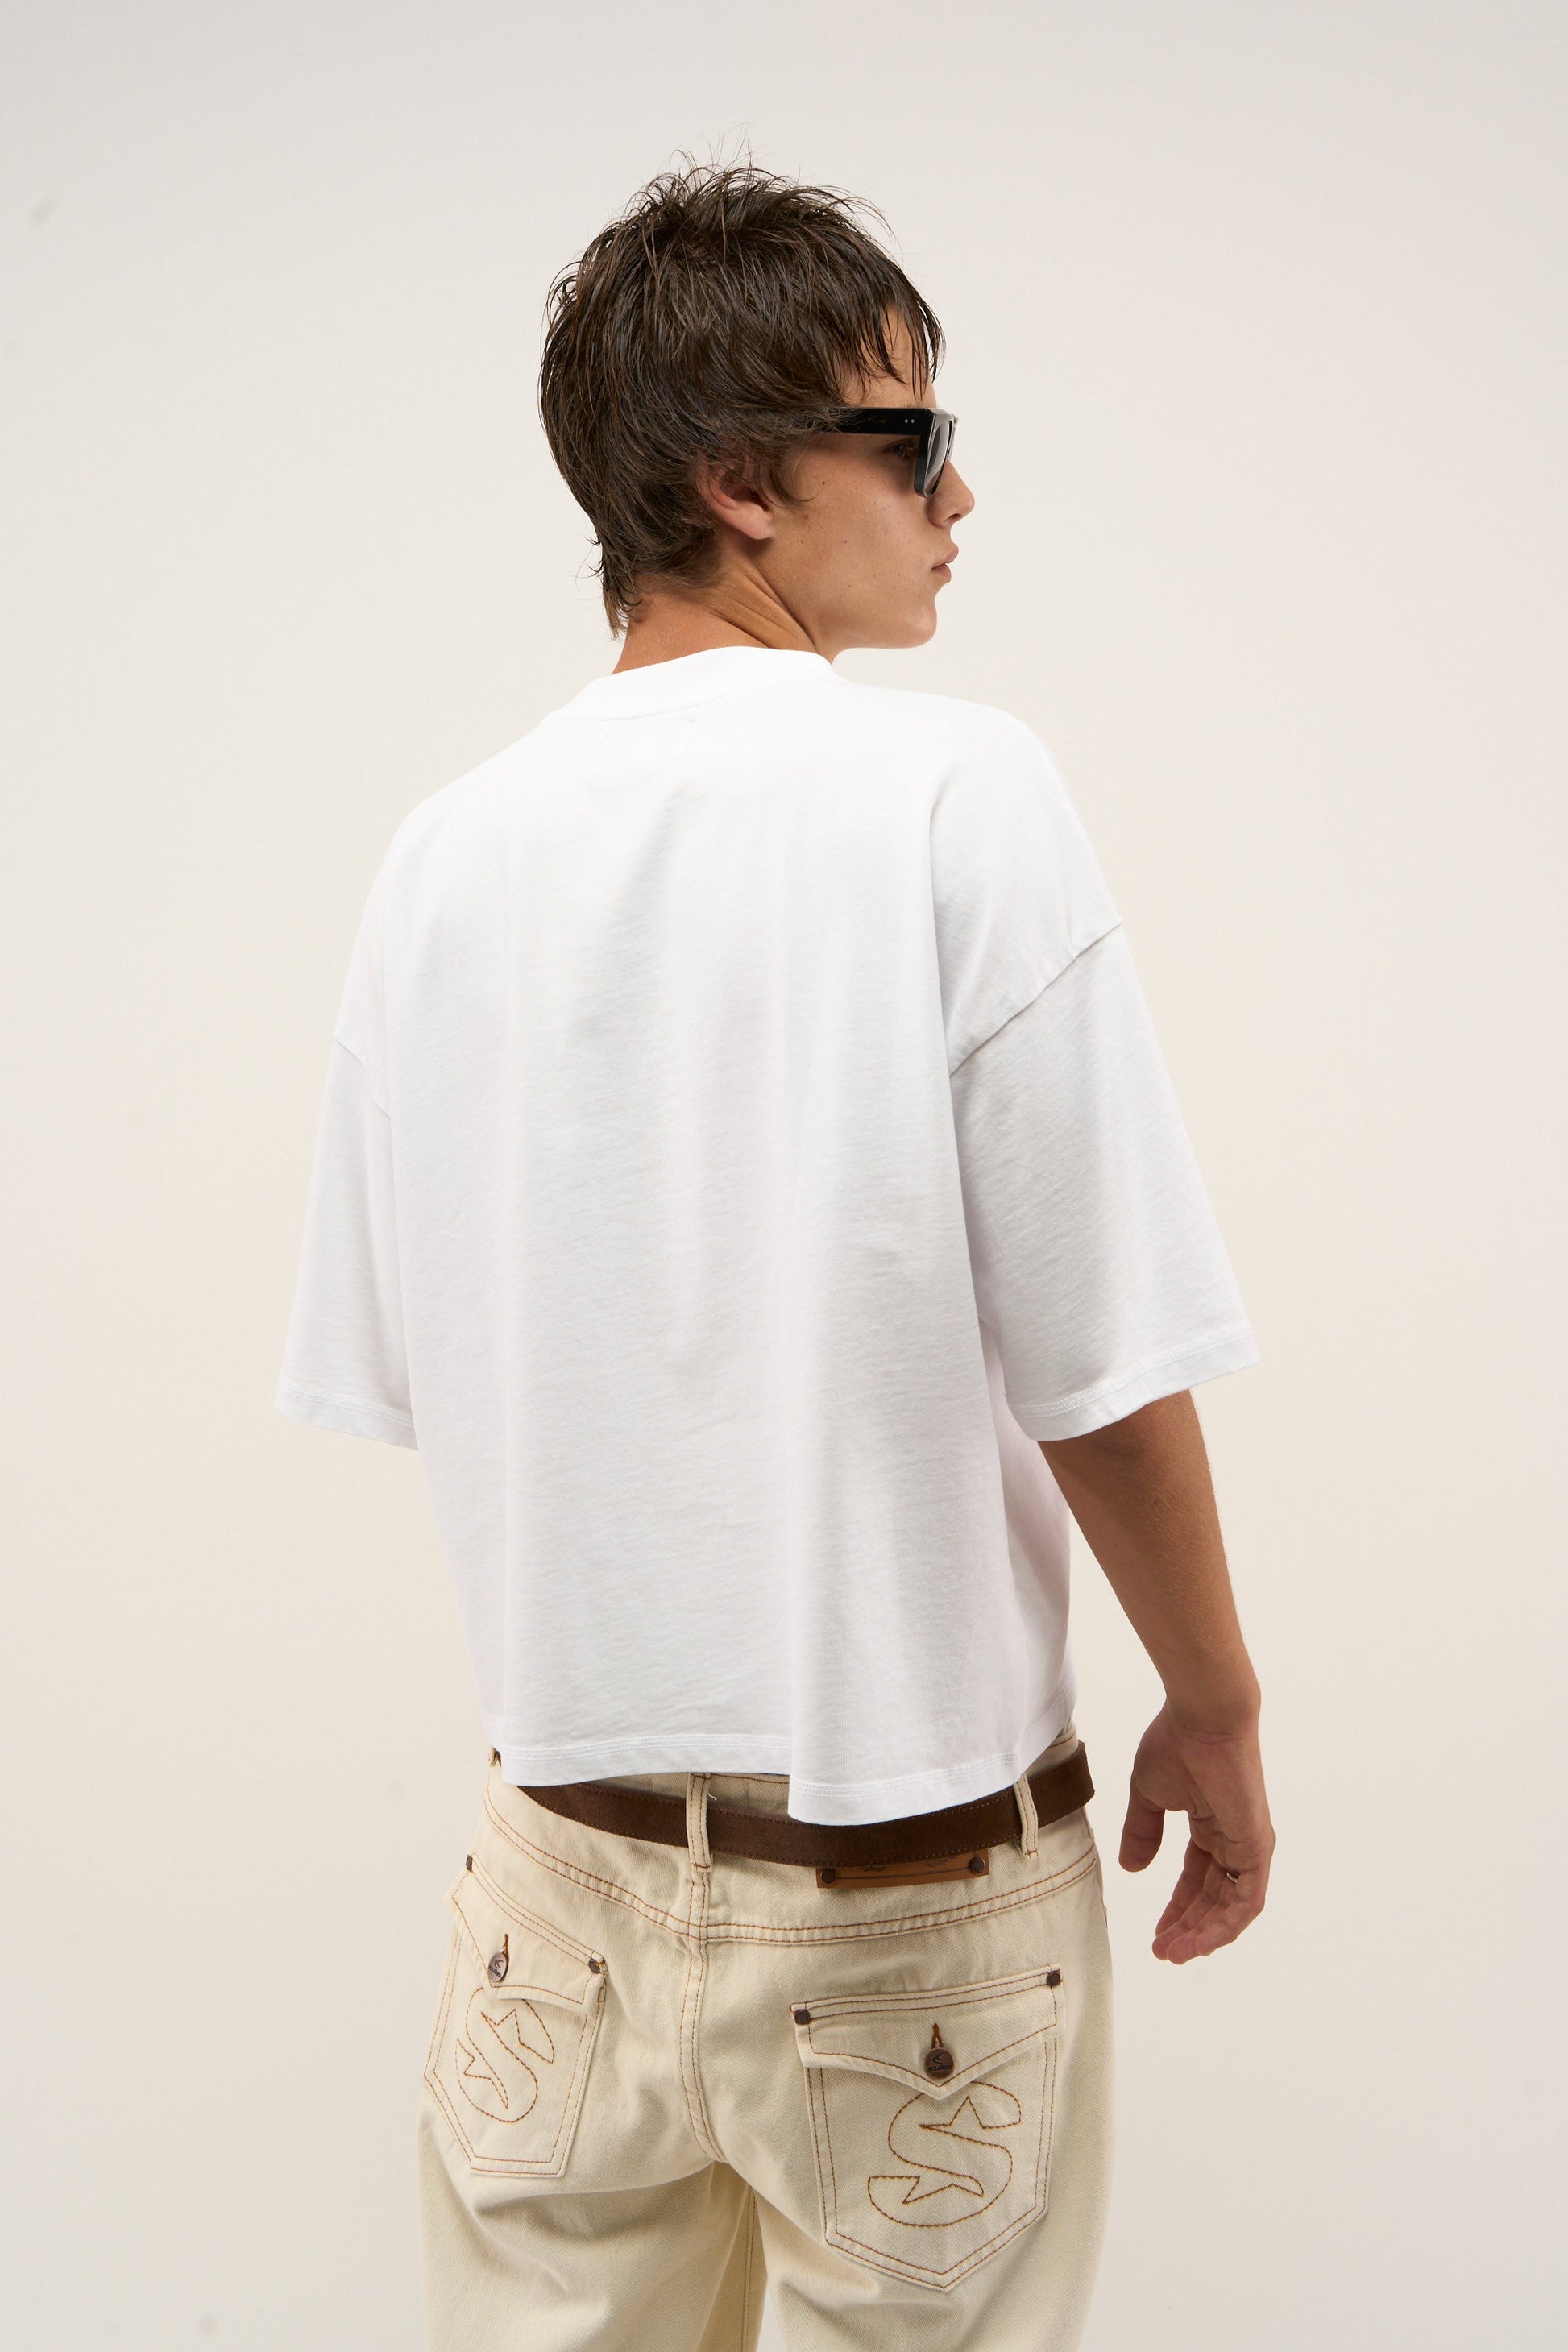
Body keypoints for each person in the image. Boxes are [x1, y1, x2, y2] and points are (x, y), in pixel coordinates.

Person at [275, 160, 1274, 2352]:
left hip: (559, 1881)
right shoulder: (954, 798)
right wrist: (1214, 1706)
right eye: (912, 441)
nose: (956, 496)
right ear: (740, 482)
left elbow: (432, 1358)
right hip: (906, 1895)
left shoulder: (441, 860)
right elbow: (1101, 1362)